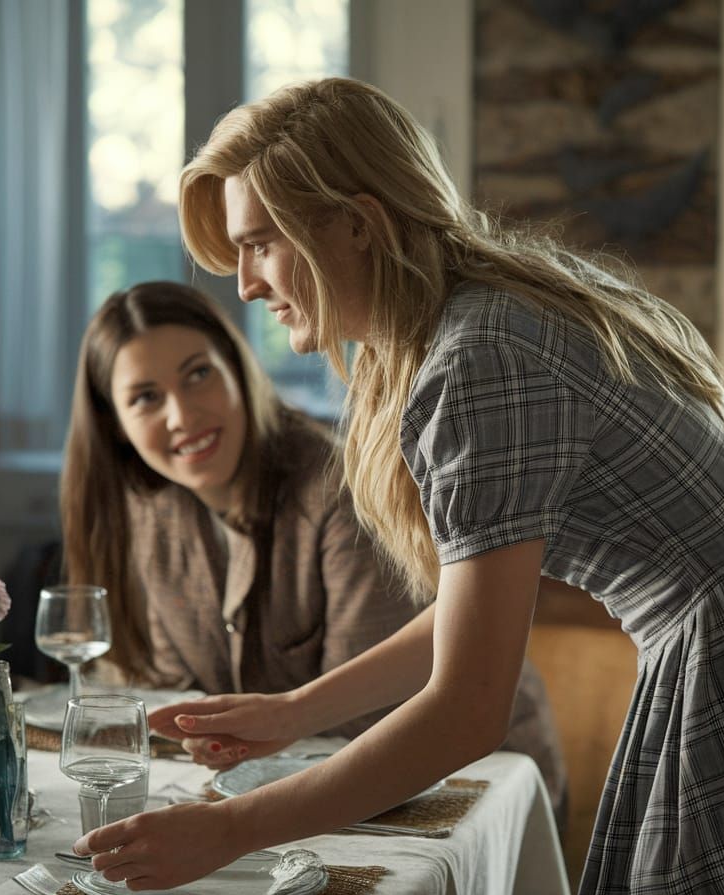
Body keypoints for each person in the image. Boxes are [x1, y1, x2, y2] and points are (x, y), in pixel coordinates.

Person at [73, 79, 724, 895]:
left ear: (356, 224)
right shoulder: (494, 310)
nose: (246, 283)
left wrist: (229, 830)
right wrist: (296, 711)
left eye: (261, 243)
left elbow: (469, 709)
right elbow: (472, 610)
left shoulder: (475, 365)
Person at [59, 279, 567, 823]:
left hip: (482, 790)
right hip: (315, 784)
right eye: (146, 398)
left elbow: (364, 716)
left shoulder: (337, 490)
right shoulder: (150, 516)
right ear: (116, 426)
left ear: (240, 369)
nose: (182, 416)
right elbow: (170, 692)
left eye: (199, 374)